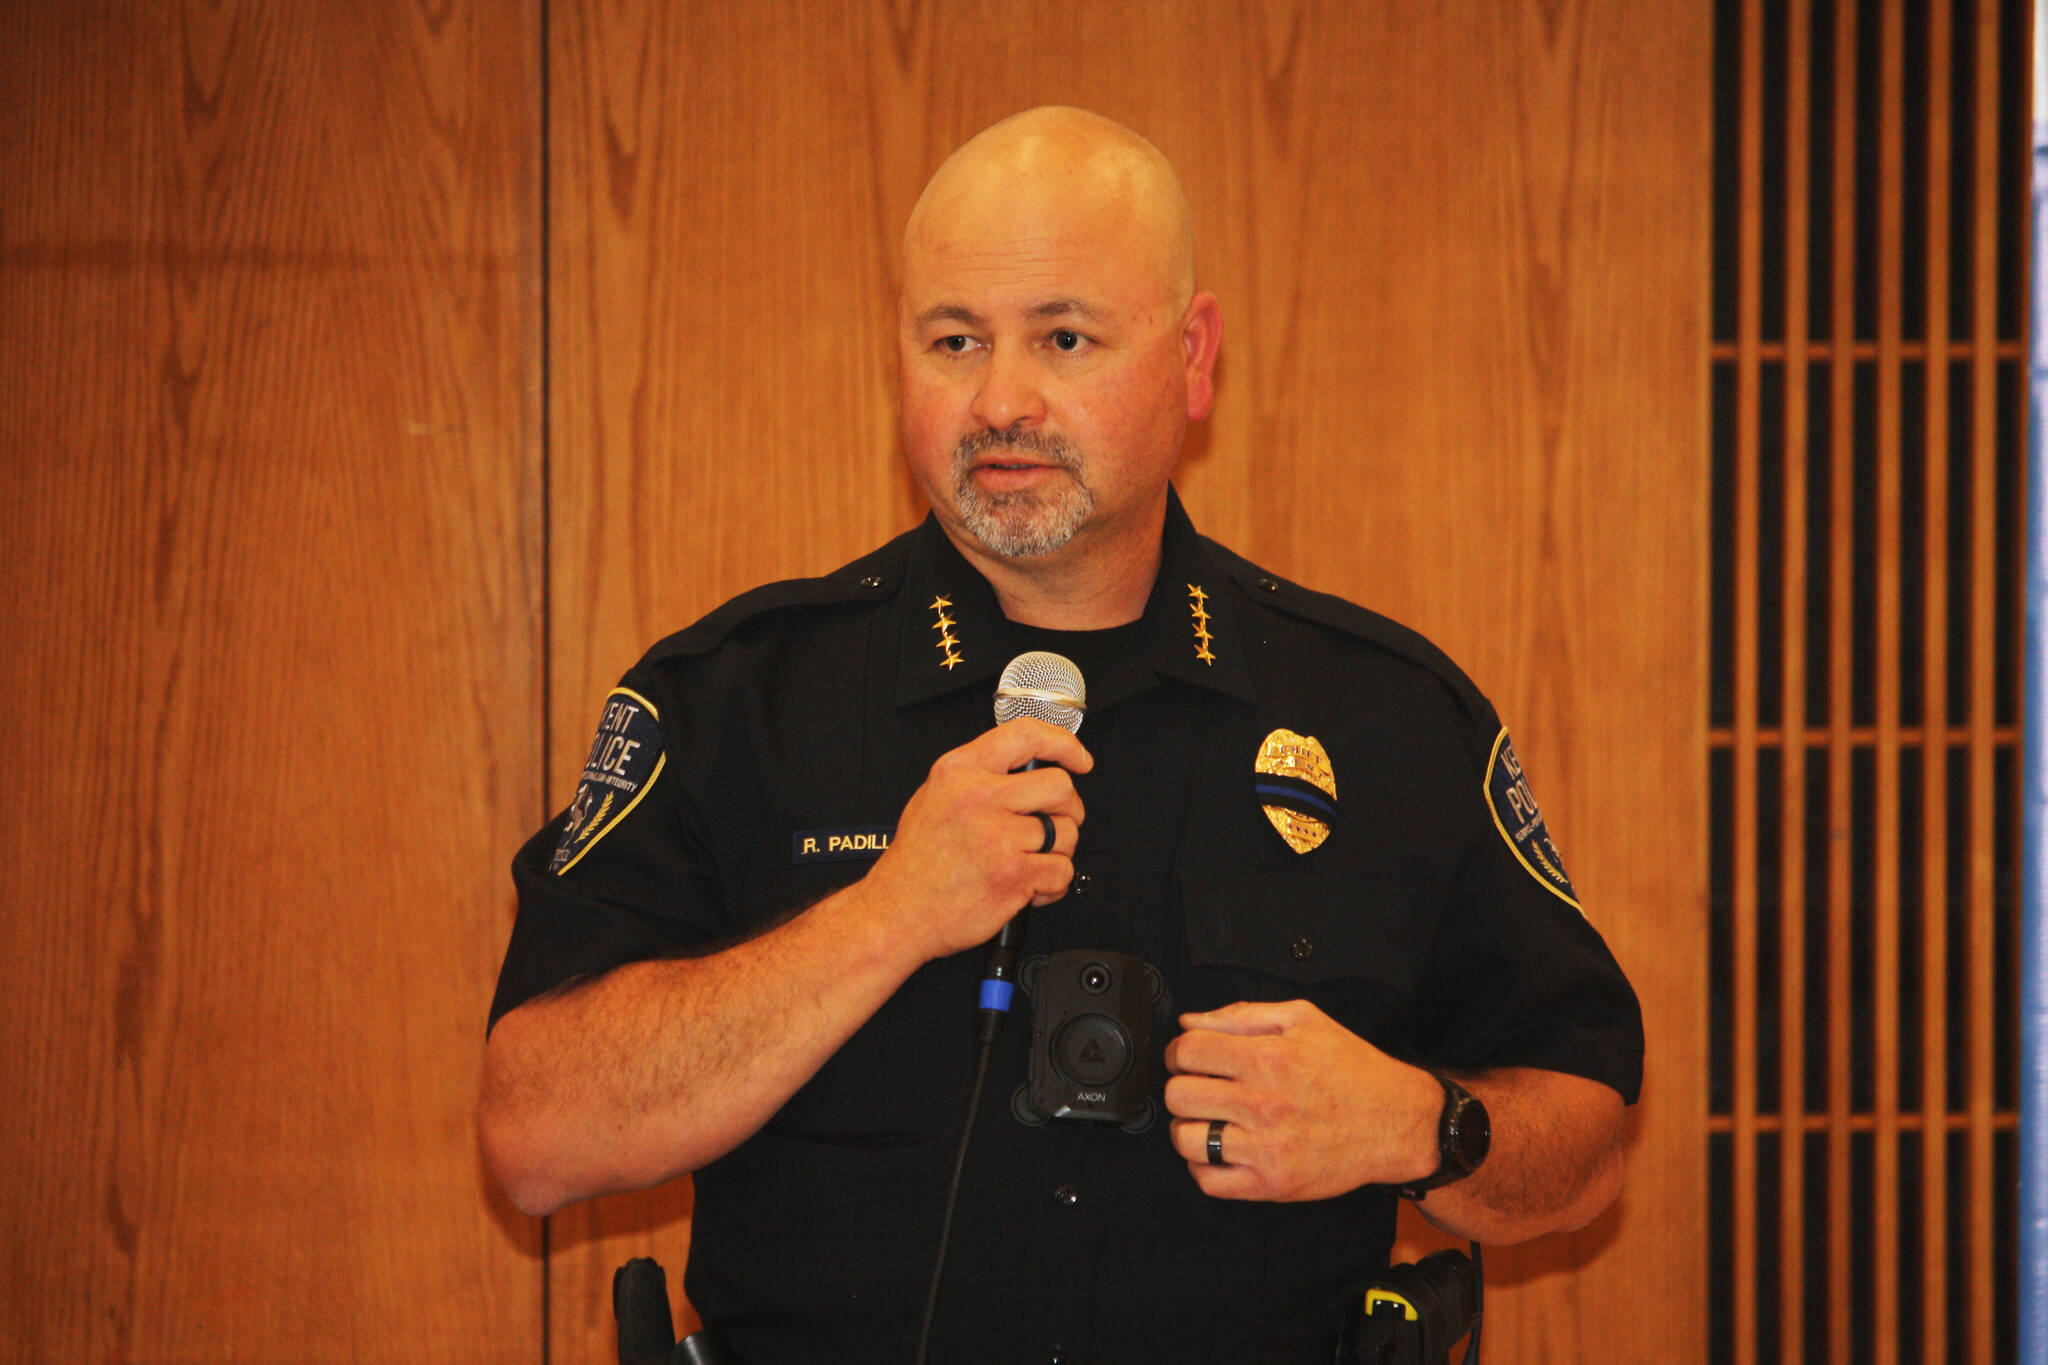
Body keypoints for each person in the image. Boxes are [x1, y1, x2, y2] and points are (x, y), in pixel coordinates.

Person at [480, 106, 1642, 1364]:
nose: (999, 400)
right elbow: (536, 1139)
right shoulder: (738, 701)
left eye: (1064, 338)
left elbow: (1584, 1149)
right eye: (953, 341)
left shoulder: (1383, 716)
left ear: (1192, 358)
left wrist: (1421, 1128)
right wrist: (884, 918)